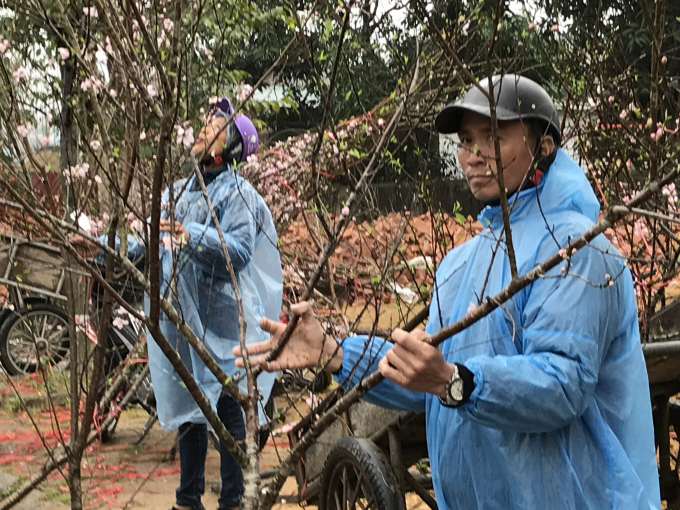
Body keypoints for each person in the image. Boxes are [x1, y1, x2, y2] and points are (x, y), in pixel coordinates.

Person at [235, 75, 660, 510]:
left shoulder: (574, 249)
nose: (473, 155)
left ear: (544, 146)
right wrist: (335, 352)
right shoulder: (459, 264)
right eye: (466, 140)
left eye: (494, 135)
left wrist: (454, 380)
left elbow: (562, 386)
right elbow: (430, 382)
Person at [81, 97, 282, 510]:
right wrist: (101, 247)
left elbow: (240, 252)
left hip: (222, 320)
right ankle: (187, 498)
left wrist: (192, 234)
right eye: (205, 123)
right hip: (180, 319)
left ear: (230, 147)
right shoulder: (176, 192)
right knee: (190, 405)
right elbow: (146, 243)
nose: (203, 129)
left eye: (214, 127)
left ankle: (232, 499)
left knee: (227, 405)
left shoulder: (240, 194)